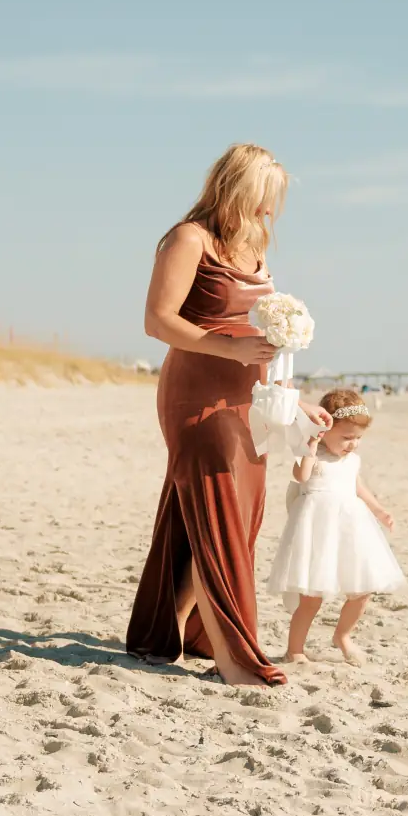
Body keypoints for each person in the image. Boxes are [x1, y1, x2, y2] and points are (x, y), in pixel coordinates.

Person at [126, 145, 325, 686]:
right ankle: (233, 655)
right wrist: (229, 348)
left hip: (251, 401)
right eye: (264, 197)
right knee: (219, 515)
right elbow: (158, 321)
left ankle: (166, 634)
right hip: (196, 392)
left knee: (230, 517)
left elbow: (268, 338)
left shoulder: (254, 246)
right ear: (235, 188)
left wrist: (293, 401)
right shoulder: (188, 239)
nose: (269, 211)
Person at [268, 389, 405, 663]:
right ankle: (295, 650)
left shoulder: (352, 460)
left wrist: (379, 511)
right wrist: (310, 444)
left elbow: (358, 488)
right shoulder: (312, 453)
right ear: (324, 428)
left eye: (358, 438)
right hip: (318, 530)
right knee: (312, 596)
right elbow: (301, 476)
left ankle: (342, 635)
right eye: (346, 437)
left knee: (362, 589)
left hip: (350, 528)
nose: (353, 444)